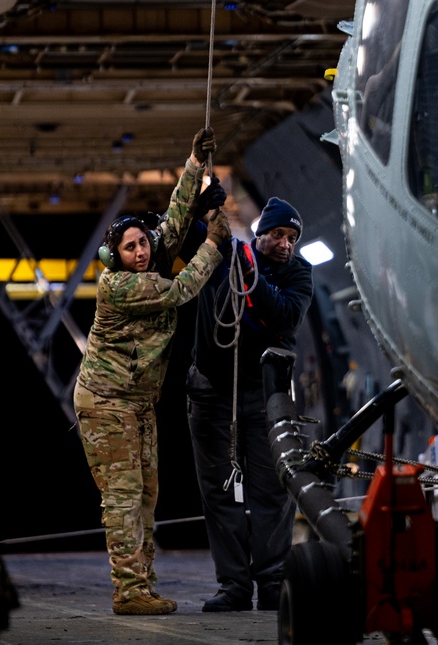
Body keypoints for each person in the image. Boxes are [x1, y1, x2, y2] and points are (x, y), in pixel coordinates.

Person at [73, 128, 232, 616]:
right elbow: (181, 289)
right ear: (113, 257)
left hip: (137, 404)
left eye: (143, 244)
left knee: (146, 494)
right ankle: (128, 591)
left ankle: (142, 583)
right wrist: (215, 243)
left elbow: (178, 219)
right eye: (130, 248)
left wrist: (194, 166)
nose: (141, 252)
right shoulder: (120, 287)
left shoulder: (148, 255)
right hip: (106, 403)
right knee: (123, 497)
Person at [185, 191, 314, 612]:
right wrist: (197, 201)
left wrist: (249, 271)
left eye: (292, 237)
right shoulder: (222, 251)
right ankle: (234, 586)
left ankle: (273, 583)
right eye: (277, 234)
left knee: (271, 493)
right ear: (261, 232)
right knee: (221, 493)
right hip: (211, 391)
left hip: (265, 396)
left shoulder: (299, 275)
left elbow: (282, 317)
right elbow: (183, 231)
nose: (286, 244)